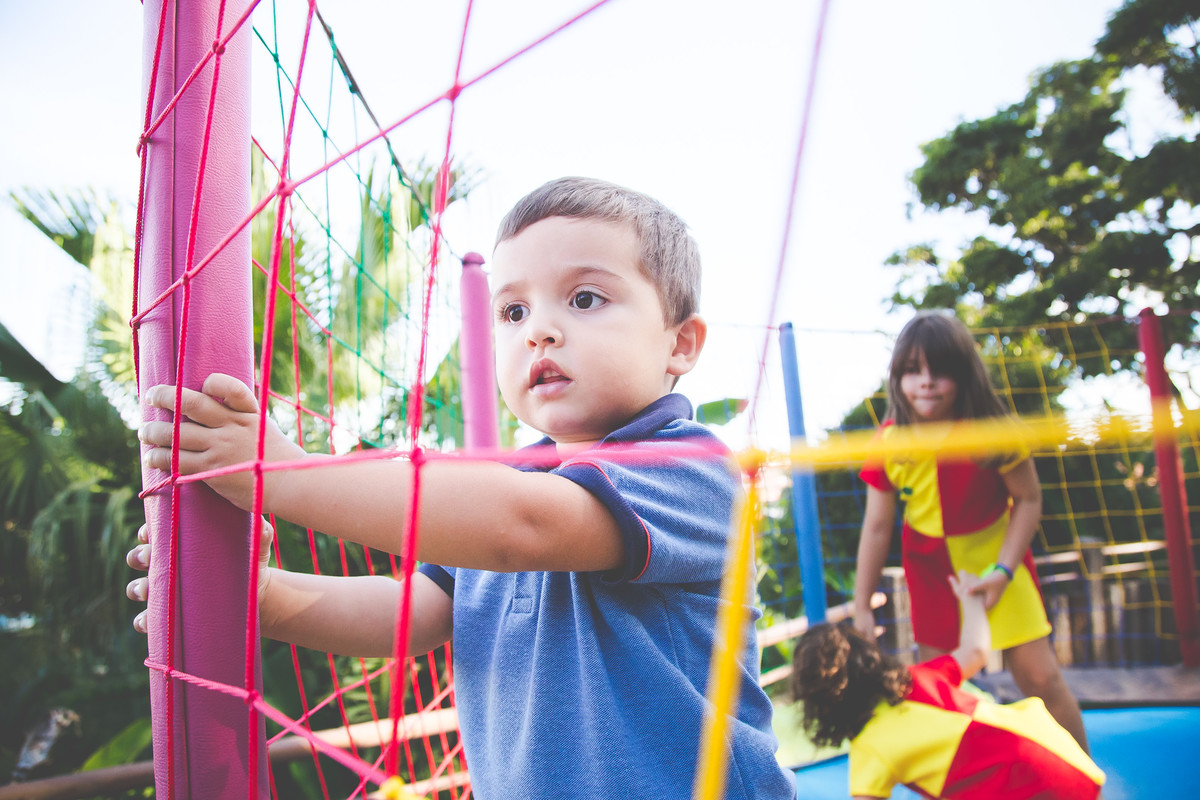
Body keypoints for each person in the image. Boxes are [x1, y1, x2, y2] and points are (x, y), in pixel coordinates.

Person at [127, 177, 797, 799]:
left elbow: (521, 529)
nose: (538, 328)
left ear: (680, 343)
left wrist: (286, 474)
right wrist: (260, 598)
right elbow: (406, 616)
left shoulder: (688, 466)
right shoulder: (507, 482)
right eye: (511, 311)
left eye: (585, 298)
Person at [851, 311, 1089, 752]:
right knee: (943, 691)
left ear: (962, 375)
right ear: (898, 377)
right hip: (931, 571)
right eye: (912, 371)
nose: (926, 382)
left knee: (1041, 678)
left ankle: (1084, 778)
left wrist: (1003, 569)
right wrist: (862, 604)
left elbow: (1029, 501)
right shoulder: (890, 440)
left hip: (997, 558)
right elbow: (878, 525)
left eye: (939, 371)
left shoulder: (993, 432)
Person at [794, 571, 1105, 799]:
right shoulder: (916, 677)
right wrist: (970, 602)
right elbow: (976, 651)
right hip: (1068, 759)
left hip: (1029, 789)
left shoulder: (870, 747)